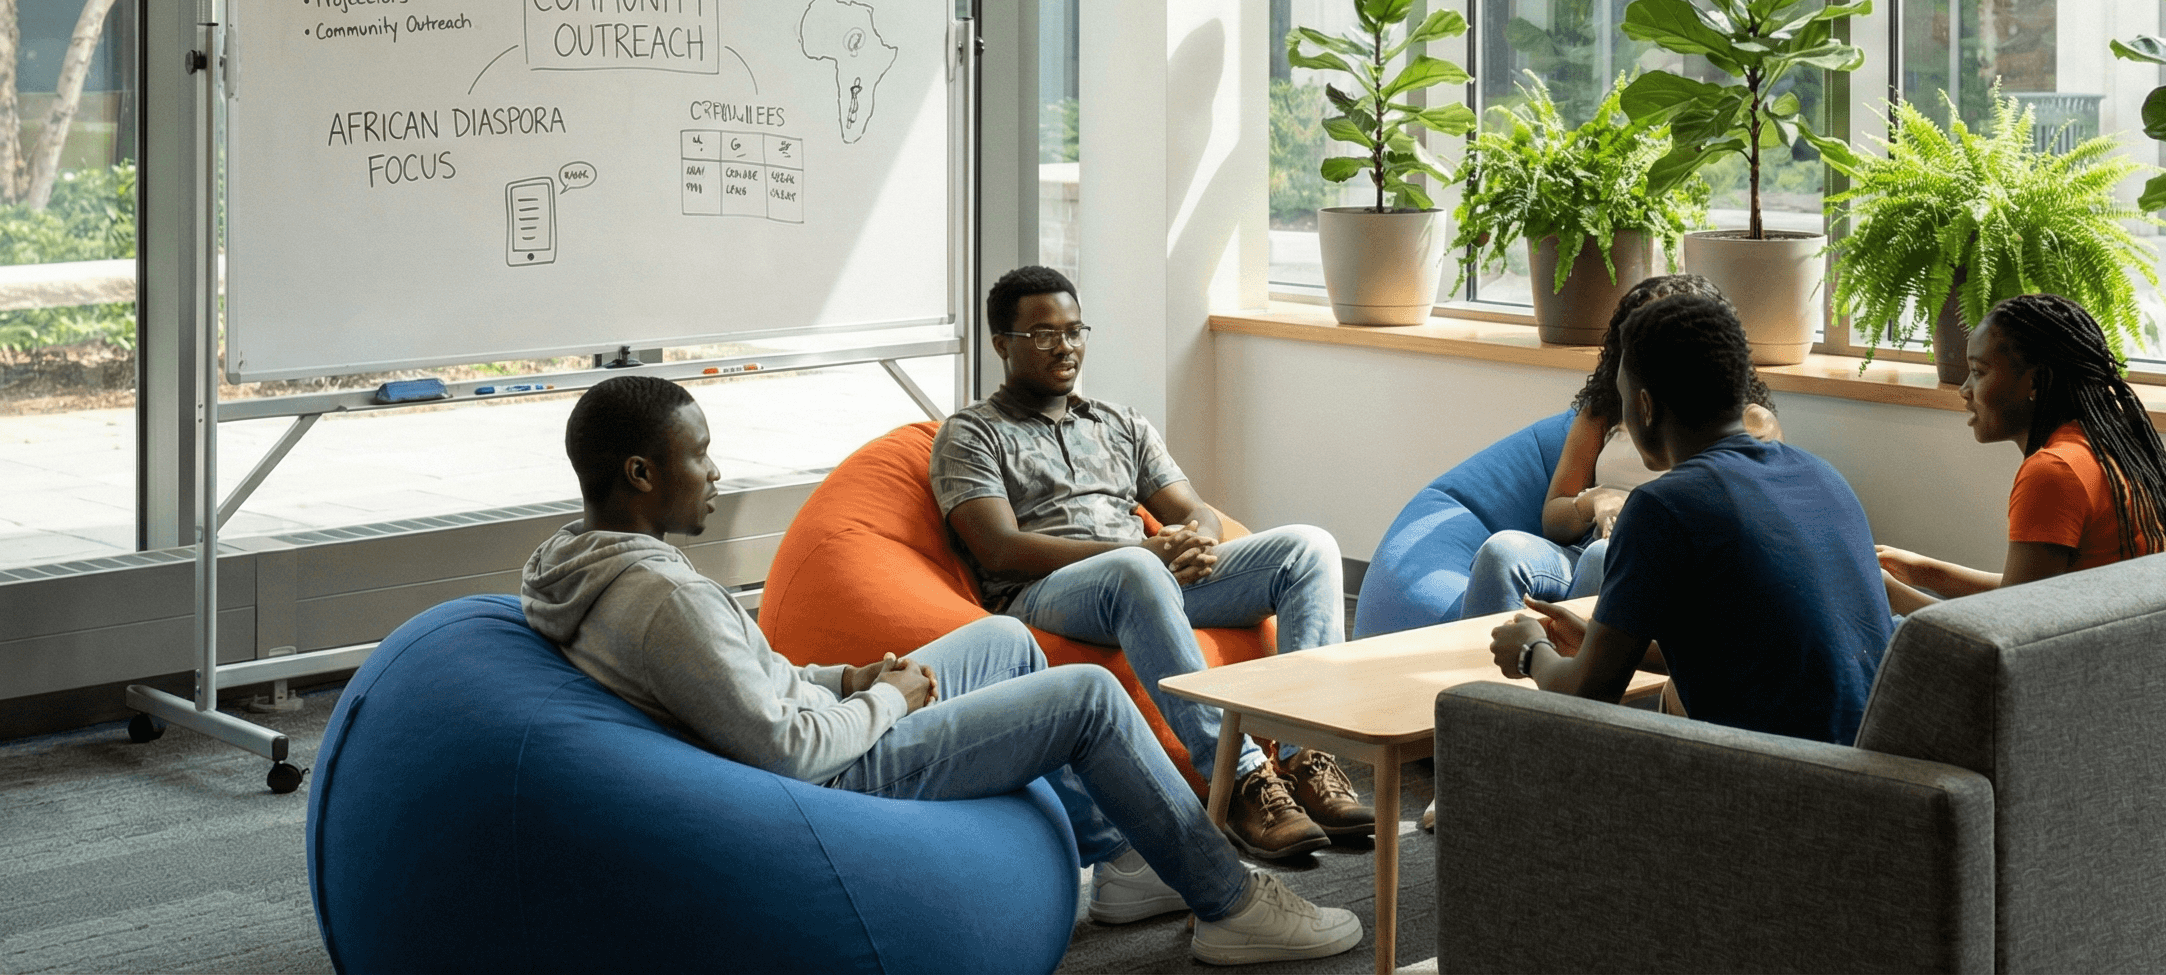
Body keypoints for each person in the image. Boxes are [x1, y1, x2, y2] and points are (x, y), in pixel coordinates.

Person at [520, 375, 1360, 965]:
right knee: (1090, 697)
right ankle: (1229, 905)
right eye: (699, 455)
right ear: (640, 474)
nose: (714, 472)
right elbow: (786, 749)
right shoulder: (662, 599)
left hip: (830, 722)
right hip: (835, 777)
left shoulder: (584, 560)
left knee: (1007, 642)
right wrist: (887, 698)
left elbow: (751, 678)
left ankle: (1128, 862)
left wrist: (847, 677)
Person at [936, 266, 1368, 862]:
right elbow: (998, 548)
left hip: (1149, 579)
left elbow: (1194, 509)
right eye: (1042, 334)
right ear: (1001, 344)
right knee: (1136, 573)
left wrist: (1195, 543)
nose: (1064, 346)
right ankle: (1239, 781)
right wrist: (1143, 554)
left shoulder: (1119, 421)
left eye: (1074, 329)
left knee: (1309, 547)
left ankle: (1305, 757)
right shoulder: (972, 433)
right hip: (1047, 592)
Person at [1485, 292, 1898, 746]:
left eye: (1623, 399)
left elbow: (1586, 695)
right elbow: (1750, 655)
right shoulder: (1823, 477)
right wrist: (1601, 644)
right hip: (1870, 778)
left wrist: (1529, 651)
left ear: (1644, 406)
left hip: (1777, 783)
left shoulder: (1663, 508)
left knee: (1550, 746)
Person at [1459, 272, 1783, 619]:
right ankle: (1483, 667)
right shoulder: (1605, 410)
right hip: (1585, 548)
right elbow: (1553, 519)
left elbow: (1745, 523)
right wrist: (1596, 500)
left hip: (1666, 565)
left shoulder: (1743, 421)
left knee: (1605, 556)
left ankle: (1574, 666)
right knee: (1500, 550)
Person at [1876, 292, 2166, 613]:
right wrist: (1923, 573)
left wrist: (1885, 591)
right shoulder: (2106, 447)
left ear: (2034, 382)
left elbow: (2008, 627)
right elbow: (2030, 592)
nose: (1964, 390)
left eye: (1978, 372)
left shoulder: (2053, 471)